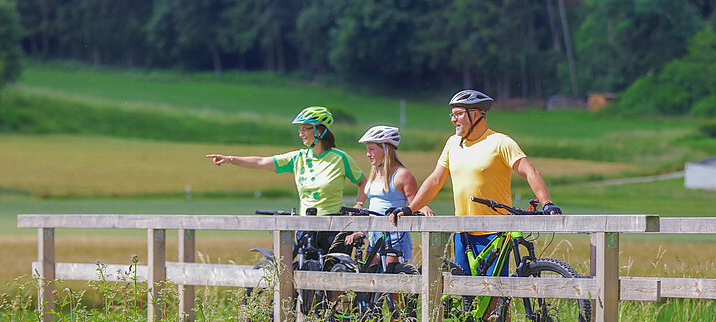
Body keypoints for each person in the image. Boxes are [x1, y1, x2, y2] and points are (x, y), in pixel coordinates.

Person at [390, 89, 562, 279]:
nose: (453, 120)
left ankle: (495, 311)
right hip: (463, 232)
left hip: (494, 232)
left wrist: (547, 203)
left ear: (475, 114)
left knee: (494, 289)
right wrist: (411, 208)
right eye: (452, 115)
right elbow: (435, 180)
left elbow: (530, 172)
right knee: (465, 293)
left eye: (458, 114)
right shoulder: (453, 143)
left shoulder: (500, 142)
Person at [206, 106, 367, 253]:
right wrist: (230, 159)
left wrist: (358, 204)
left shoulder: (340, 158)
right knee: (302, 270)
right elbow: (261, 162)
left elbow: (363, 182)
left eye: (305, 129)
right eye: (300, 129)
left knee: (334, 271)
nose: (301, 133)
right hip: (305, 226)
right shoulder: (298, 158)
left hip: (333, 226)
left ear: (320, 131)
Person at [343, 125, 431, 264]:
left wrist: (424, 208)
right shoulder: (374, 174)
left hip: (395, 236)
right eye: (367, 150)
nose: (367, 154)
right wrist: (361, 230)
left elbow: (415, 203)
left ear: (387, 149)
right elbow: (374, 209)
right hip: (374, 236)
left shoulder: (402, 175)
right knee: (372, 278)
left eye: (371, 149)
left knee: (394, 281)